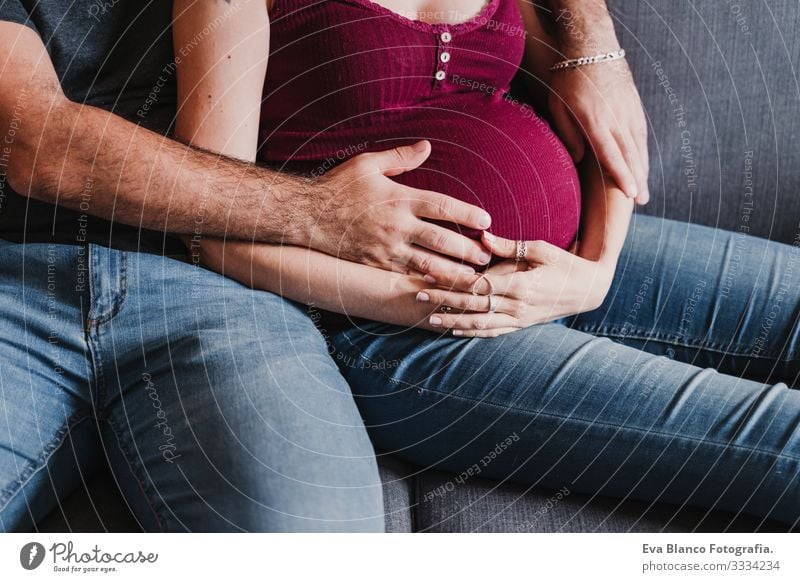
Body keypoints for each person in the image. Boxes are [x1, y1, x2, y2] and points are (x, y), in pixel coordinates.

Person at [179, 0, 800, 527]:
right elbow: (209, 225)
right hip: (411, 330)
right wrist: (444, 299)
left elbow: (602, 120)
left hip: (575, 262)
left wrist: (594, 273)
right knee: (784, 441)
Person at [0, 0, 494, 532]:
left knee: (314, 534)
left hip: (224, 293)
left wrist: (590, 50)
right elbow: (41, 144)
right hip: (22, 285)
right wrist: (322, 210)